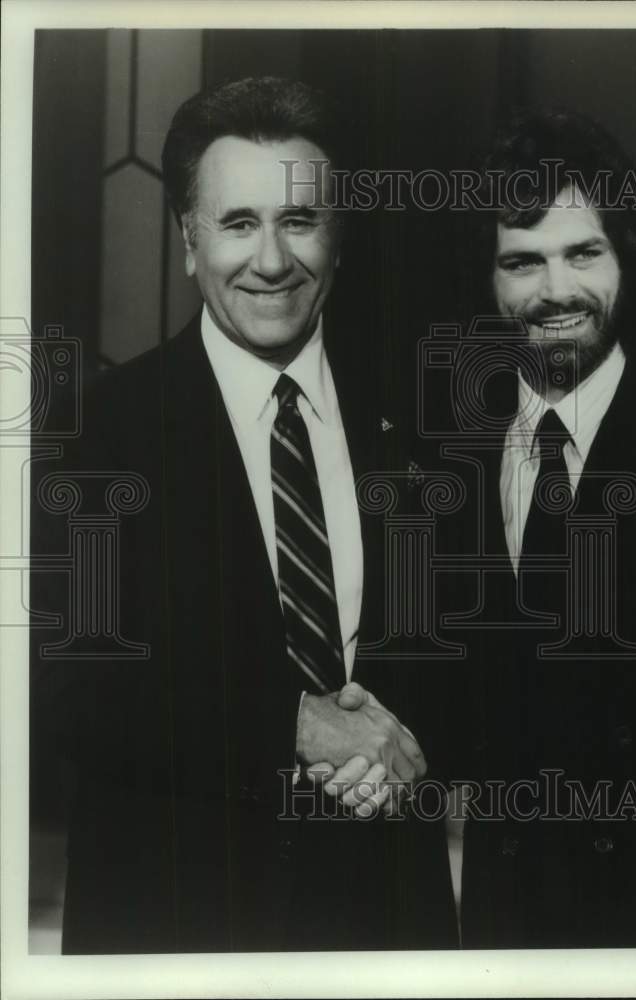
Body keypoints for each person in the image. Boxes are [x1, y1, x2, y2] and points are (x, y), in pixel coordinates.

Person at [30, 76, 456, 953]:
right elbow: (71, 692)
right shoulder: (105, 429)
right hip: (175, 915)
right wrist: (294, 724)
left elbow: (469, 650)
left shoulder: (424, 416)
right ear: (189, 242)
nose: (271, 259)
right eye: (236, 223)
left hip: (382, 917)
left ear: (337, 236)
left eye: (299, 221)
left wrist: (398, 747)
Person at [453, 109, 636, 948]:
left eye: (584, 252)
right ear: (489, 282)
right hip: (505, 926)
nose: (554, 291)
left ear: (632, 260)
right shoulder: (442, 461)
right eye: (522, 261)